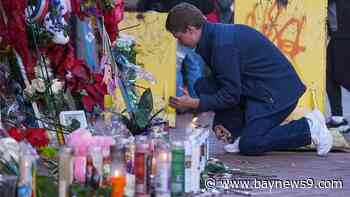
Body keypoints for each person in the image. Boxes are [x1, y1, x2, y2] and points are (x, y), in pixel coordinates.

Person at [166, 3, 333, 156]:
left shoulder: (222, 45)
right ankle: (239, 132)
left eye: (178, 37)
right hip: (257, 89)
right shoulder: (213, 36)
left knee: (251, 144)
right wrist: (222, 122)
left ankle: (310, 127)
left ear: (190, 30)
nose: (179, 42)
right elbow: (226, 84)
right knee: (204, 85)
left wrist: (192, 103)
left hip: (277, 95)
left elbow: (230, 94)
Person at [326, 0, 350, 133]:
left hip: (345, 35)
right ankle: (337, 117)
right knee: (329, 74)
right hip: (337, 36)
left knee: (342, 76)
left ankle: (338, 117)